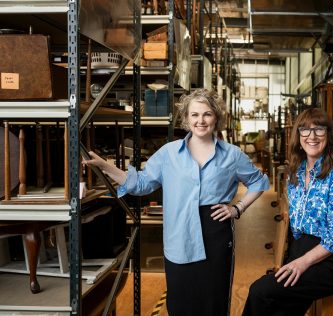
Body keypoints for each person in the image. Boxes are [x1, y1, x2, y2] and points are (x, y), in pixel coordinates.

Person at [83, 89, 270, 316]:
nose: (201, 120)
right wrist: (105, 166)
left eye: (207, 114)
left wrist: (237, 208)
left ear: (216, 117)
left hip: (216, 232)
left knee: (214, 302)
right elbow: (141, 184)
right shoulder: (169, 153)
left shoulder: (232, 155)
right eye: (194, 115)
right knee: (180, 302)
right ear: (186, 118)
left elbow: (259, 183)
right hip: (179, 235)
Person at [242, 108, 333, 316]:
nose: (312, 136)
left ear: (329, 135)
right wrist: (294, 258)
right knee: (279, 311)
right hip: (302, 251)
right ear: (298, 137)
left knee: (260, 292)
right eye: (305, 130)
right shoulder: (296, 174)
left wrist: (302, 262)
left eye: (319, 130)